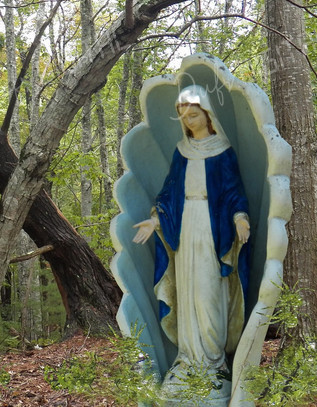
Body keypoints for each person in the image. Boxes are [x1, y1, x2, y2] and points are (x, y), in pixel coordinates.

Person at [133, 85, 251, 402]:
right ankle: (188, 361)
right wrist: (155, 220)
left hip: (212, 230)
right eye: (184, 115)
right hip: (185, 229)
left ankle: (213, 365)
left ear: (207, 113)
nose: (189, 119)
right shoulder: (181, 151)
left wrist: (240, 217)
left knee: (208, 292)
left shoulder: (223, 150)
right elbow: (169, 194)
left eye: (194, 113)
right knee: (187, 294)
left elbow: (234, 192)